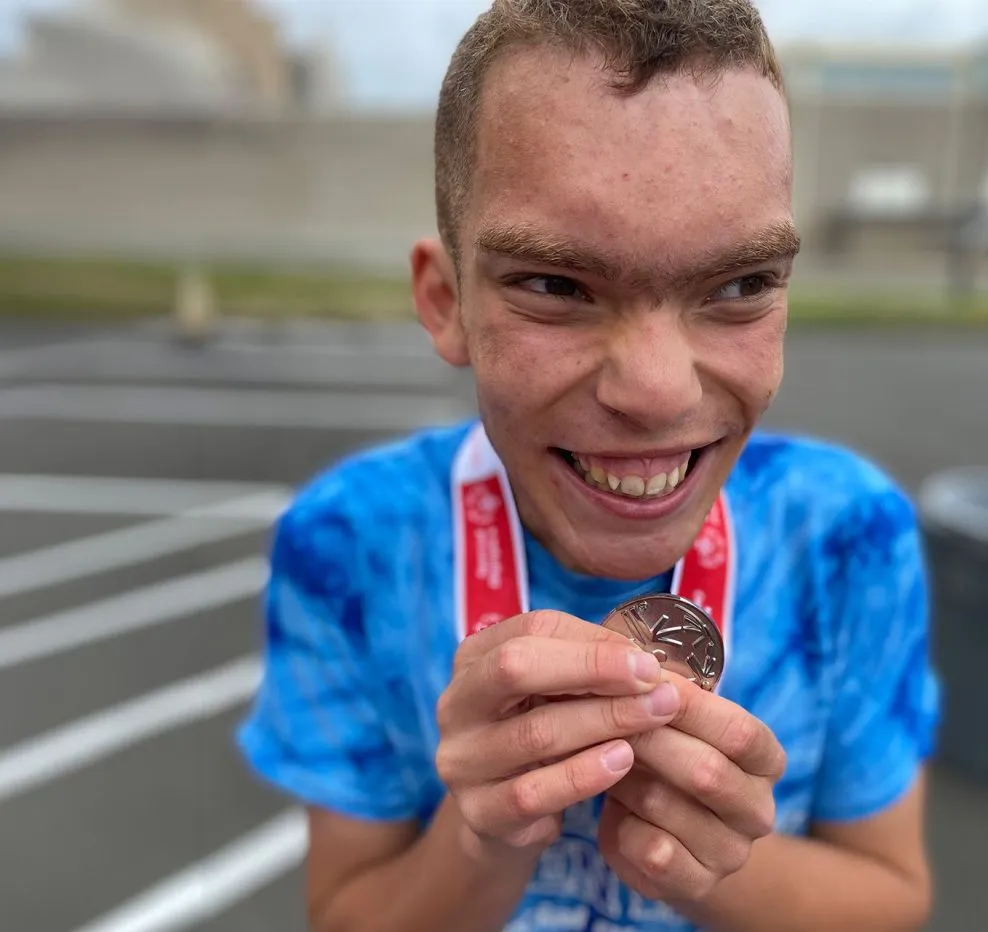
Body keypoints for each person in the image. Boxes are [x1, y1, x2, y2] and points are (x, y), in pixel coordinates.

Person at [236, 1, 941, 930]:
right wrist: (484, 838)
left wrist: (716, 864)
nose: (653, 390)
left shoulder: (849, 532)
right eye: (558, 287)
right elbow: (345, 913)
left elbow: (891, 898)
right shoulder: (349, 541)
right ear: (446, 302)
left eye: (738, 286)